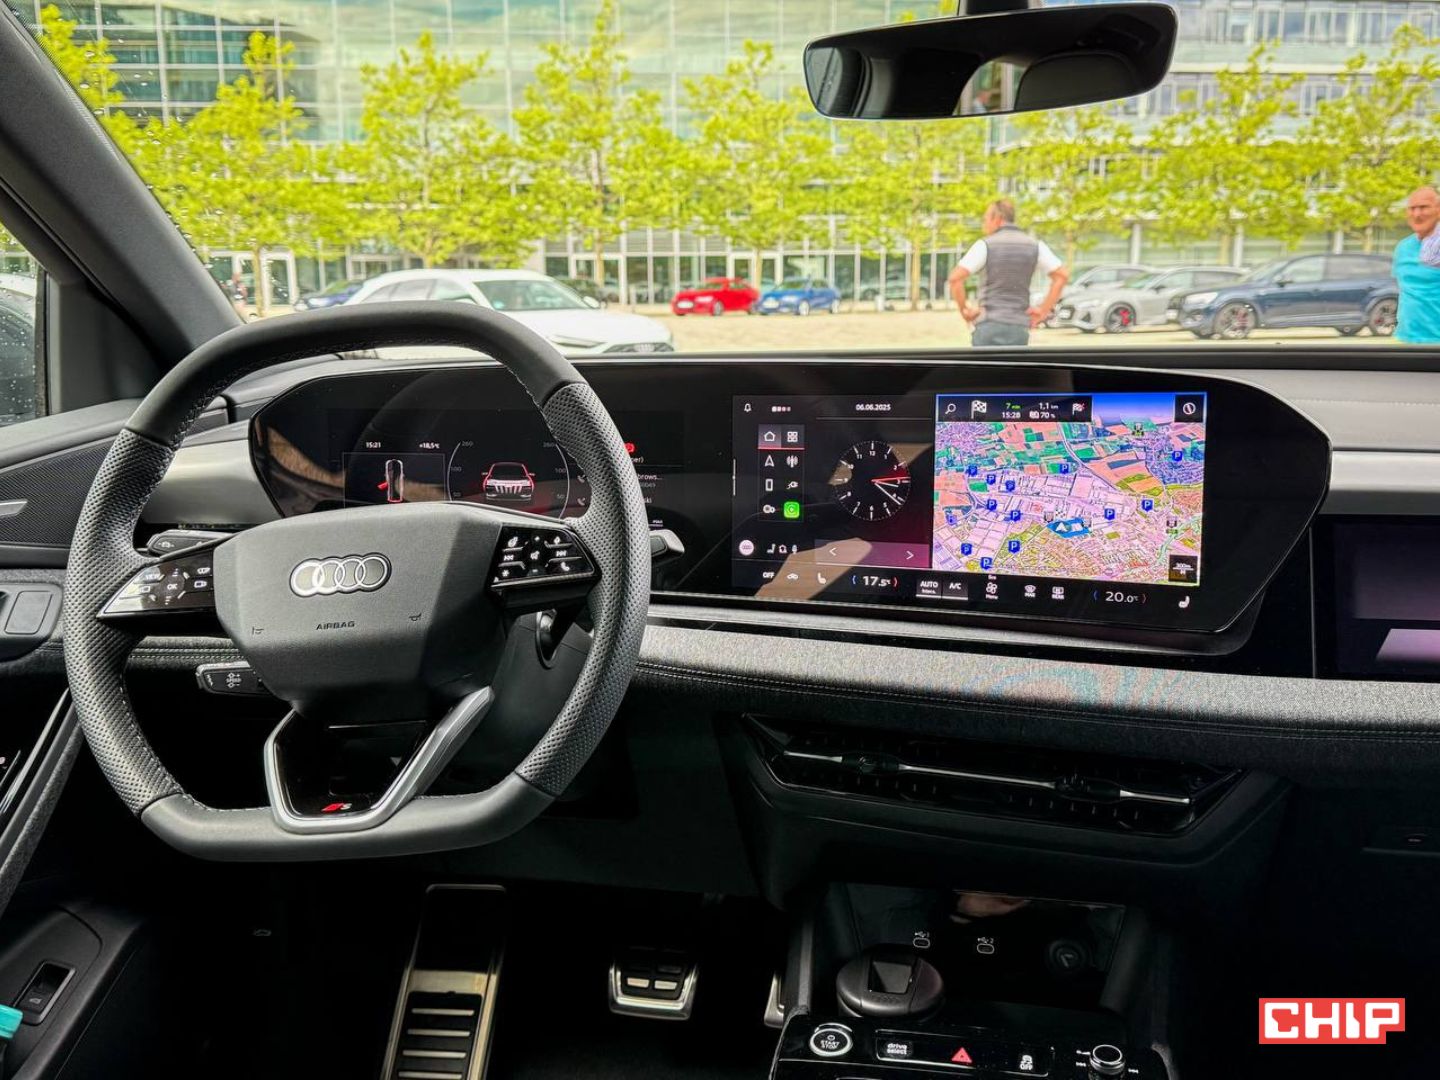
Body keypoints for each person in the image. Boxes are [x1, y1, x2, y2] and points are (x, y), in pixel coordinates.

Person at [948, 200, 1067, 347]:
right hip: (1018, 327)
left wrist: (965, 311)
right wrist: (1043, 311)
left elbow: (955, 279)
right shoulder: (1035, 246)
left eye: (985, 219)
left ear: (997, 219)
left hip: (988, 325)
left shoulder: (985, 245)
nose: (984, 225)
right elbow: (1061, 276)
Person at [1394, 185, 1440, 345]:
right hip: (1405, 342)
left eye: (1424, 207)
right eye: (1412, 208)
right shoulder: (1402, 248)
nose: (1417, 214)